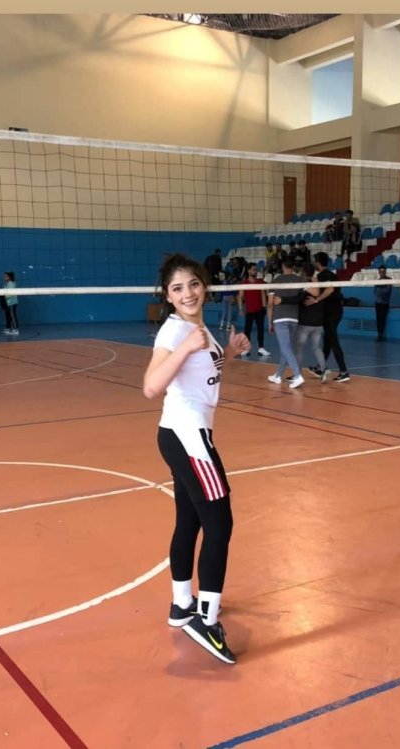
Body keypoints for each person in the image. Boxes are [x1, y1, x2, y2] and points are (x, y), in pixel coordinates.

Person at [143, 253, 250, 665]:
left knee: (189, 521)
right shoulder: (175, 331)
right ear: (168, 297)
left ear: (204, 286)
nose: (187, 293)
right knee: (220, 524)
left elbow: (202, 371)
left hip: (179, 434)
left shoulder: (198, 327)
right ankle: (206, 620)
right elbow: (151, 386)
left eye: (193, 284)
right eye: (177, 288)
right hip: (187, 436)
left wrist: (230, 353)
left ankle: (182, 604)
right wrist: (185, 346)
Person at [309, 252, 350, 382]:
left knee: (332, 340)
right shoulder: (334, 275)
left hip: (331, 313)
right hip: (337, 311)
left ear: (318, 262)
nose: (313, 263)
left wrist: (317, 299)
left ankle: (344, 371)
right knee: (327, 340)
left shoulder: (322, 276)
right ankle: (320, 367)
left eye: (314, 261)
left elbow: (330, 290)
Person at [266, 257, 304, 388]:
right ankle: (278, 376)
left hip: (280, 318)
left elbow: (270, 304)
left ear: (282, 266)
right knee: (285, 347)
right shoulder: (300, 280)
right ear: (293, 266)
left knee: (285, 347)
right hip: (294, 318)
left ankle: (297, 375)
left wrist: (269, 321)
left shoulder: (275, 281)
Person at [237, 262, 270, 357]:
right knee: (247, 331)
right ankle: (246, 349)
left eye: (256, 270)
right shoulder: (244, 283)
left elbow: (263, 294)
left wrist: (265, 307)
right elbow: (240, 297)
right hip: (250, 311)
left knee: (260, 330)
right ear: (249, 271)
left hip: (260, 310)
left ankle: (261, 348)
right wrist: (240, 309)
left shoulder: (260, 282)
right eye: (254, 270)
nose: (255, 271)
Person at [373, 266, 392, 342]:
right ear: (378, 272)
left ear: (385, 272)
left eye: (383, 271)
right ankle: (379, 334)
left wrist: (379, 289)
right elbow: (375, 292)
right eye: (380, 271)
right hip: (377, 303)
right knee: (378, 319)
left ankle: (380, 334)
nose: (382, 273)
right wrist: (381, 289)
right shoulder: (377, 281)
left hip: (385, 303)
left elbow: (387, 291)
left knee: (382, 319)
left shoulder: (389, 280)